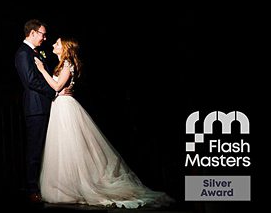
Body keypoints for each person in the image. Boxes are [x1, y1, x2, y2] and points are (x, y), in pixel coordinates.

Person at [34, 37, 174, 208]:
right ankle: (63, 187)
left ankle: (74, 187)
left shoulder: (67, 63)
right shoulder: (62, 64)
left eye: (58, 43)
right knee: (62, 148)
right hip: (59, 106)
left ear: (65, 48)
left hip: (65, 107)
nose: (54, 45)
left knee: (69, 146)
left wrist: (41, 70)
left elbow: (57, 87)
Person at [14, 19, 57, 204]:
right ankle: (32, 189)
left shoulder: (38, 52)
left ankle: (46, 186)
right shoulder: (23, 53)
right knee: (34, 149)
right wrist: (53, 91)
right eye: (42, 34)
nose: (45, 38)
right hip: (36, 107)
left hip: (45, 105)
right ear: (32, 33)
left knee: (47, 149)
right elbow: (31, 80)